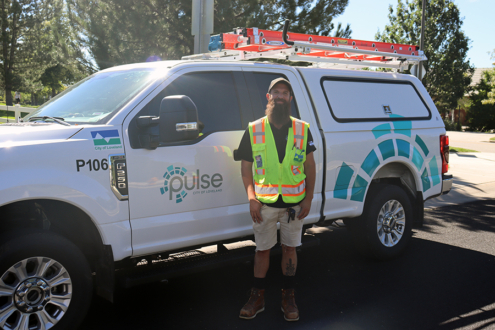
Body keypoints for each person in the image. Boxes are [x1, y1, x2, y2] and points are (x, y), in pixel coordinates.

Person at [236, 78, 316, 321]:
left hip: (294, 205)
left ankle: (288, 296)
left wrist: (309, 199)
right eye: (276, 92)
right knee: (262, 251)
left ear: (290, 99)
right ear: (268, 97)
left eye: (284, 93)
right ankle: (257, 297)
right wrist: (251, 198)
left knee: (290, 248)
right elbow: (245, 169)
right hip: (264, 205)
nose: (280, 96)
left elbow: (310, 167)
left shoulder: (303, 129)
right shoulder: (254, 129)